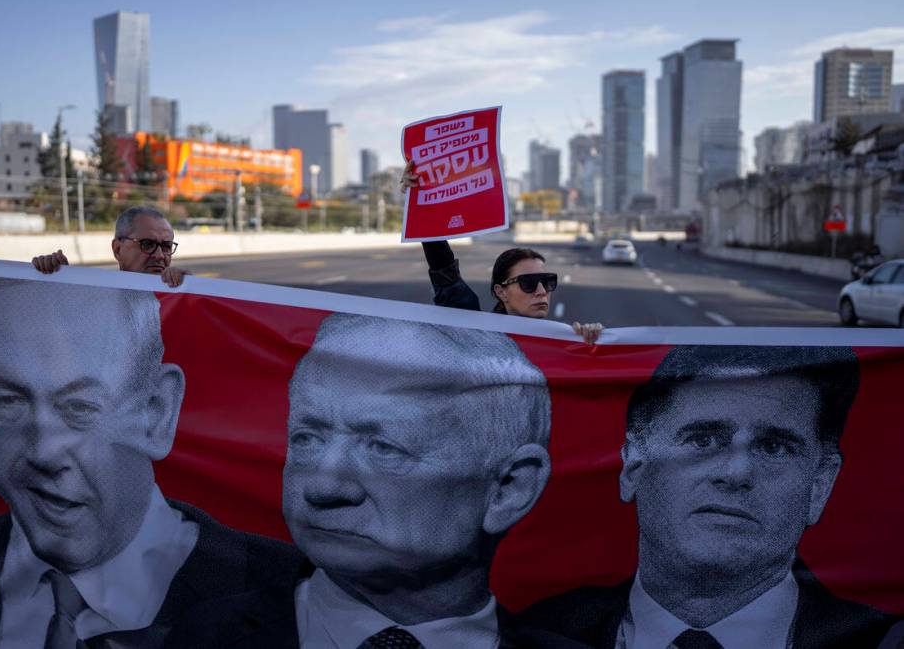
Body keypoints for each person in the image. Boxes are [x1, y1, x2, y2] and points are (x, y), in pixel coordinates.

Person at [167, 313, 587, 648]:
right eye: (308, 438)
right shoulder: (195, 635)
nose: (323, 487)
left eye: (383, 448)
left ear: (509, 489)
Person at [0, 277, 301, 648]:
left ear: (157, 412)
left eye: (80, 407)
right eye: (8, 402)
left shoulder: (299, 597)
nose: (44, 452)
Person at [518, 345, 900, 649]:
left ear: (821, 484)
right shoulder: (530, 635)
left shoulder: (884, 641)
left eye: (775, 448)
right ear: (634, 465)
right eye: (702, 440)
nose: (735, 473)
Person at [402, 160, 603, 344]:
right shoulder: (478, 338)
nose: (542, 291)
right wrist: (420, 200)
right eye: (529, 283)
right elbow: (446, 276)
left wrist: (594, 345)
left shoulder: (566, 342)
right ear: (501, 292)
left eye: (547, 281)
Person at [31, 205, 187, 287]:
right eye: (147, 244)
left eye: (166, 246)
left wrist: (190, 290)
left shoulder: (183, 296)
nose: (160, 255)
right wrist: (56, 283)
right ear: (117, 249)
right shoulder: (93, 298)